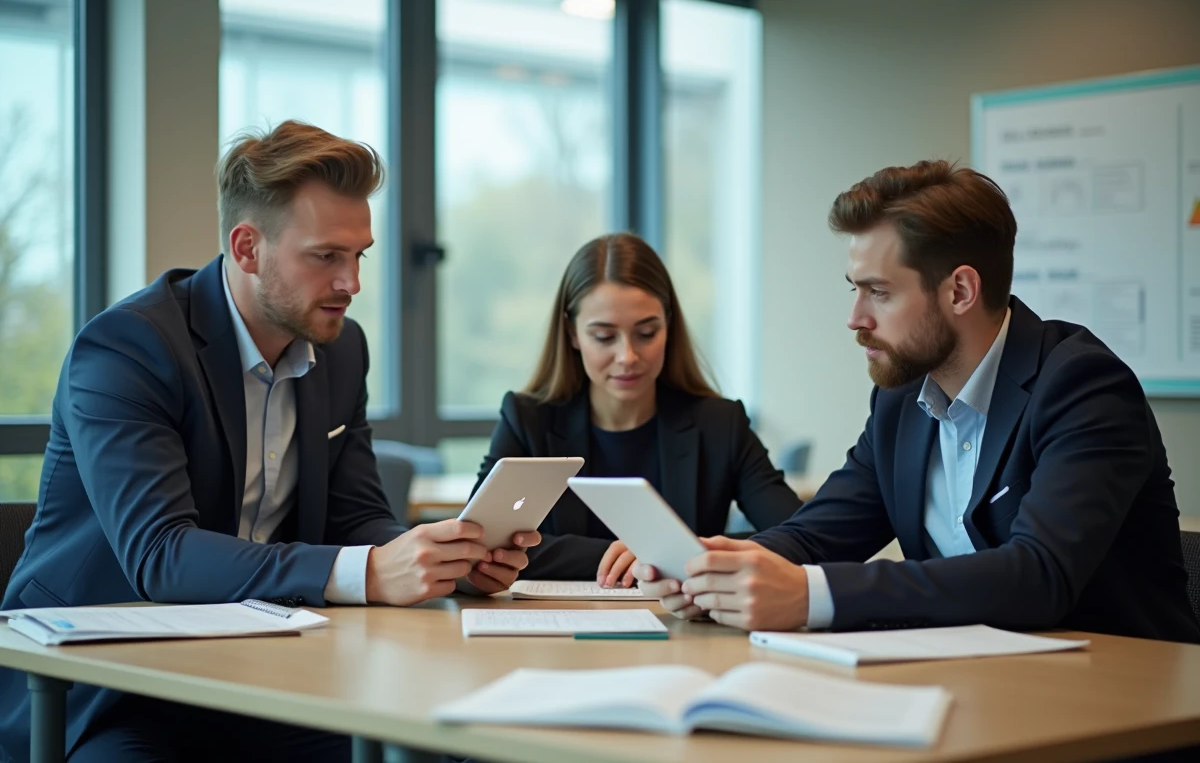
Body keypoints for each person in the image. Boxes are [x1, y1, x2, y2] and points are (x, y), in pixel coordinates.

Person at [0, 120, 539, 763]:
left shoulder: (342, 350)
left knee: (440, 746)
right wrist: (369, 571)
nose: (352, 283)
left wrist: (438, 560)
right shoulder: (127, 349)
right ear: (248, 247)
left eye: (358, 255)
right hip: (112, 681)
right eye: (325, 257)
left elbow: (355, 515)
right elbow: (161, 555)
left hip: (270, 668)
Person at [636, 160, 1200, 645]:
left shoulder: (1082, 385)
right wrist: (709, 566)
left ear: (959, 291)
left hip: (1115, 702)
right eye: (854, 289)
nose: (855, 318)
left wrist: (810, 595)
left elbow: (1040, 575)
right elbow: (816, 534)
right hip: (967, 687)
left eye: (879, 292)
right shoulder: (902, 401)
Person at [474, 232, 799, 586]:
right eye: (603, 336)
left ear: (668, 326)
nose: (627, 357)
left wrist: (668, 553)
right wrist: (630, 556)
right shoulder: (527, 420)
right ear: (571, 333)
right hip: (558, 632)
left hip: (686, 633)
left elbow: (798, 536)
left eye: (646, 333)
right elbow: (480, 545)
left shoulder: (720, 424)